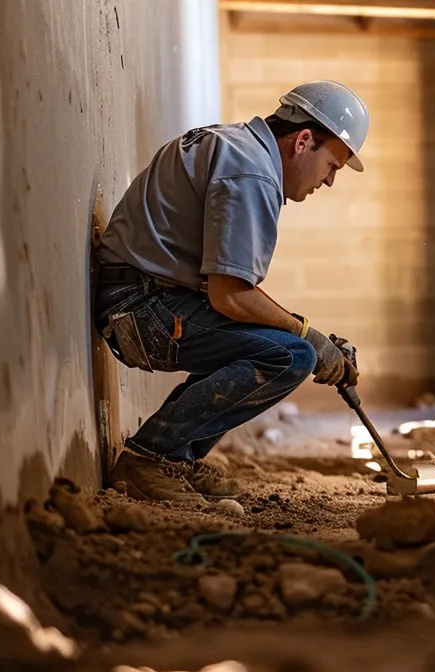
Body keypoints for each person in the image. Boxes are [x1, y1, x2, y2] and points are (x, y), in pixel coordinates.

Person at [90, 80, 369, 503]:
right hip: (139, 308)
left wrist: (306, 331)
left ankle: (175, 459)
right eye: (333, 165)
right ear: (304, 141)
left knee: (278, 343)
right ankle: (148, 458)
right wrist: (308, 335)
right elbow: (231, 297)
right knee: (291, 355)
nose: (329, 181)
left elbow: (232, 294)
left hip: (141, 295)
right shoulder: (251, 172)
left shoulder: (237, 147)